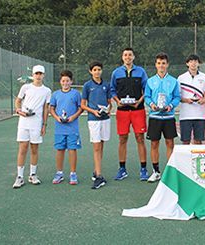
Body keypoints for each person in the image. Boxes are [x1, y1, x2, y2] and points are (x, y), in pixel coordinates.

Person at [110, 48, 149, 181]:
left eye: (130, 55)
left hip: (138, 110)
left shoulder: (141, 71)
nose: (128, 57)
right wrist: (117, 101)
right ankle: (122, 169)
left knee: (140, 138)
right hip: (122, 111)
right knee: (122, 139)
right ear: (122, 57)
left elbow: (147, 89)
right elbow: (112, 90)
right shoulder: (116, 72)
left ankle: (143, 169)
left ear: (133, 57)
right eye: (125, 55)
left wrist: (139, 101)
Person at [13, 65, 51, 188]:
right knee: (23, 148)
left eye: (40, 73)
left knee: (34, 149)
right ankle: (19, 177)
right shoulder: (26, 87)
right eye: (36, 73)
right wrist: (19, 111)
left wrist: (44, 125)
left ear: (43, 75)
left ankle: (33, 175)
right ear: (33, 75)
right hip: (24, 123)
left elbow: (46, 108)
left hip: (37, 124)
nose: (38, 76)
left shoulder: (47, 91)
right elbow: (18, 101)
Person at [144, 52, 181, 182]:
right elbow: (147, 96)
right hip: (155, 116)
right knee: (154, 143)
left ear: (167, 65)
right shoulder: (150, 81)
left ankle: (169, 172)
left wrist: (171, 105)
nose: (161, 65)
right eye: (159, 63)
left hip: (168, 117)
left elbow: (177, 97)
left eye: (163, 63)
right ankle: (156, 171)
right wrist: (152, 104)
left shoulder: (173, 81)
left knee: (170, 143)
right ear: (156, 65)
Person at [81, 61, 112, 189]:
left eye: (99, 69)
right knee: (96, 147)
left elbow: (110, 102)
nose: (97, 72)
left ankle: (96, 170)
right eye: (94, 70)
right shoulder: (87, 86)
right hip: (93, 120)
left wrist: (108, 110)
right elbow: (83, 104)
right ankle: (99, 176)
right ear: (91, 71)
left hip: (105, 119)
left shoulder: (106, 85)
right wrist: (94, 111)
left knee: (102, 144)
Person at [49, 70, 83, 185]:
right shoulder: (55, 94)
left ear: (71, 81)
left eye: (67, 81)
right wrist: (57, 118)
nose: (65, 83)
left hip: (72, 128)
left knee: (72, 149)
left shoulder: (76, 94)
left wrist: (73, 117)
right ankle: (59, 173)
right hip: (60, 128)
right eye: (63, 81)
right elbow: (51, 108)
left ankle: (73, 173)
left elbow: (81, 108)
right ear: (60, 82)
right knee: (60, 149)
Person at [178, 54, 205, 145]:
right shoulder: (181, 78)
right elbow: (178, 97)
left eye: (195, 61)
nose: (193, 63)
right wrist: (186, 100)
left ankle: (197, 159)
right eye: (191, 61)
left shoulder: (204, 77)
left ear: (198, 63)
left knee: (198, 141)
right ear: (187, 63)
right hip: (185, 116)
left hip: (199, 115)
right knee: (185, 141)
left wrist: (203, 100)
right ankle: (185, 160)